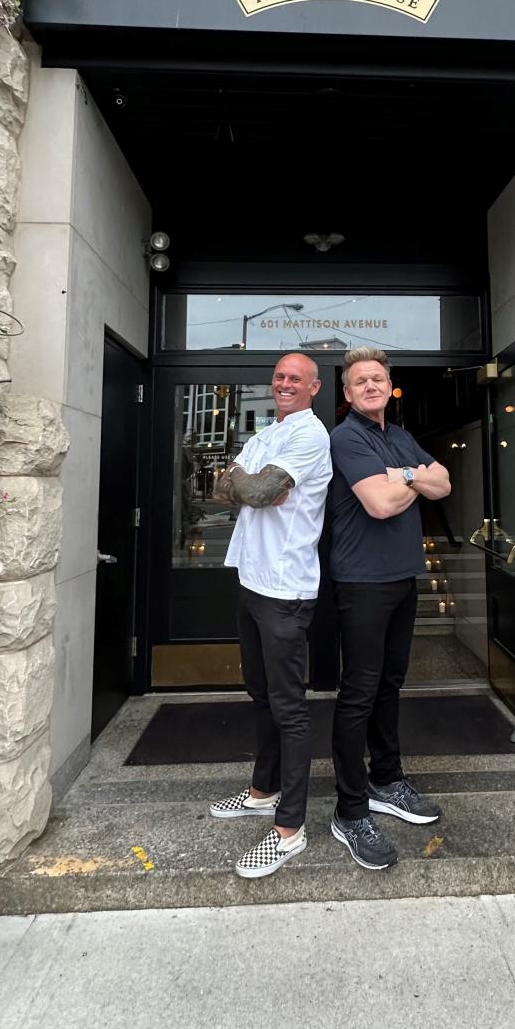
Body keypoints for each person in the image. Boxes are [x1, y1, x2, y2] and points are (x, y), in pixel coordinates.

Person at [208, 353, 332, 880]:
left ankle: (290, 829)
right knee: (260, 696)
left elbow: (255, 490)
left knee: (289, 708)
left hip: (285, 588)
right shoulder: (266, 434)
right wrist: (248, 483)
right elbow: (223, 486)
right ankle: (263, 790)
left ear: (314, 387)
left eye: (295, 379)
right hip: (251, 580)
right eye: (280, 377)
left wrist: (251, 485)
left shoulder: (310, 436)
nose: (284, 384)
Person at [327, 346, 452, 870]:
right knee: (359, 691)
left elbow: (443, 483)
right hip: (361, 583)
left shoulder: (397, 435)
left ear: (389, 385)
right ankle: (350, 811)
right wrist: (409, 478)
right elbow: (378, 505)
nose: (371, 386)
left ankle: (385, 780)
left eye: (378, 378)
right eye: (361, 381)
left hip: (403, 578)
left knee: (389, 684)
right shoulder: (346, 437)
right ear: (348, 393)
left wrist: (400, 474)